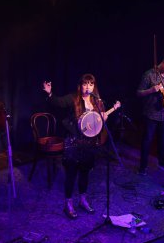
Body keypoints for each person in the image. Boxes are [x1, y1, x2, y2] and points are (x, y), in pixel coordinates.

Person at [42, 73, 108, 219]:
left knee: (85, 173)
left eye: (91, 84)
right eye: (85, 84)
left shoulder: (97, 101)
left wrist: (104, 117)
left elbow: (99, 121)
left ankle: (83, 200)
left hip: (89, 144)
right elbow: (57, 102)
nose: (88, 87)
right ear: (80, 85)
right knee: (71, 174)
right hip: (73, 142)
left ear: (94, 86)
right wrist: (49, 93)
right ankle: (68, 203)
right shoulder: (73, 98)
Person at [136, 52, 164, 175]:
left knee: (163, 140)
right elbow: (139, 93)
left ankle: (162, 162)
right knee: (147, 140)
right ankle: (143, 166)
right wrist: (151, 90)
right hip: (151, 114)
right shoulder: (149, 75)